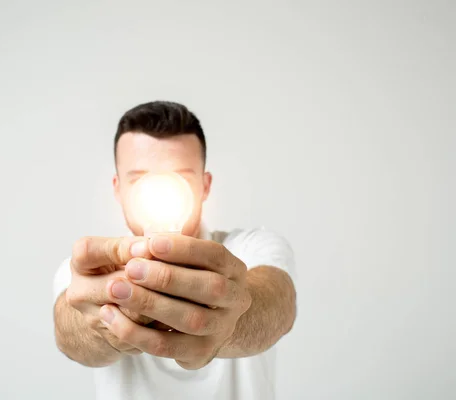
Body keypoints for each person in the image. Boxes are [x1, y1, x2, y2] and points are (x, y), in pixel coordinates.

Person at [52, 101, 297, 400]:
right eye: (139, 178)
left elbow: (276, 304)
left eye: (180, 177)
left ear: (204, 186)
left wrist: (227, 317)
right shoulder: (87, 271)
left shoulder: (253, 248)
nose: (160, 188)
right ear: (118, 188)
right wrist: (108, 318)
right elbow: (70, 333)